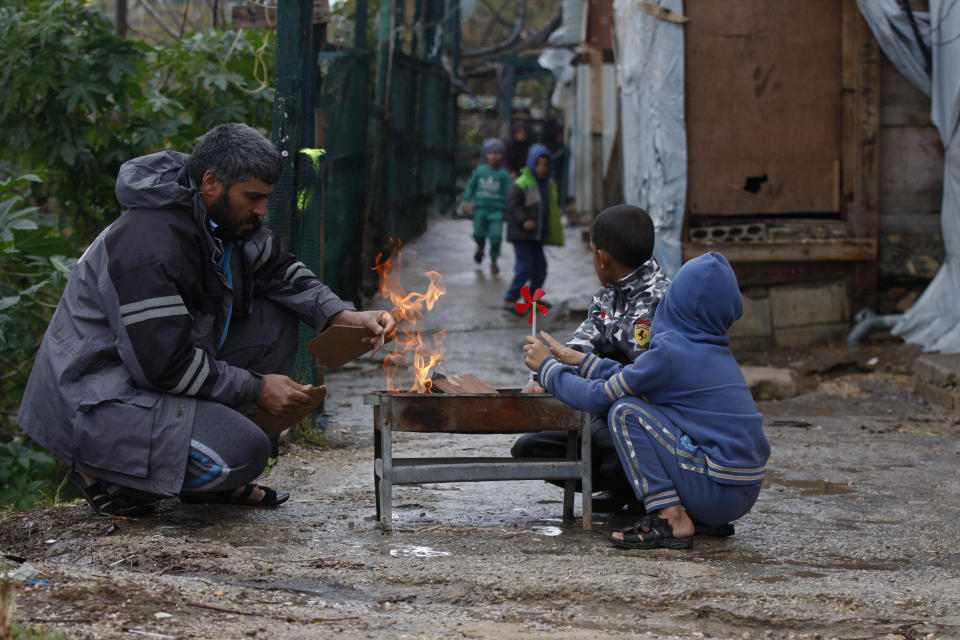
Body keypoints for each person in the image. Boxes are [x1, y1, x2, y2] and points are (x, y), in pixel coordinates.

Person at [17, 123, 396, 517]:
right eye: (253, 198)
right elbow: (166, 366)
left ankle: (200, 470)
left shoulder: (222, 219)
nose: (262, 210)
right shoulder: (149, 246)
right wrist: (257, 388)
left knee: (282, 309)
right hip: (95, 395)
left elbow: (280, 271)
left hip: (150, 374)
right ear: (211, 183)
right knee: (244, 451)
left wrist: (345, 315)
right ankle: (106, 472)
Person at [523, 252, 769, 550]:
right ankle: (692, 514)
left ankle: (670, 517)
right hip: (743, 489)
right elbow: (637, 376)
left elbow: (598, 397)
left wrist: (547, 369)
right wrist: (584, 362)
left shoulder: (670, 352)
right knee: (642, 406)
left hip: (716, 491)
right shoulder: (711, 350)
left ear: (675, 301)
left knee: (625, 411)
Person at [510, 205, 670, 512]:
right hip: (600, 408)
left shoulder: (664, 298)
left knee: (607, 443)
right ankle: (624, 486)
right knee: (528, 448)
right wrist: (541, 377)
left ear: (603, 257)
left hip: (641, 416)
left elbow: (646, 377)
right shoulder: (605, 296)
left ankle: (639, 490)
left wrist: (570, 373)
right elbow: (578, 347)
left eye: (592, 251)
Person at [503, 144, 564, 312]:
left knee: (540, 269)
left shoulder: (546, 185)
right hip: (522, 235)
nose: (542, 168)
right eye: (538, 164)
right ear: (531, 163)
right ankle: (510, 299)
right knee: (525, 268)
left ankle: (531, 300)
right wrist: (523, 220)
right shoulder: (522, 183)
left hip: (536, 236)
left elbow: (549, 210)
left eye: (545, 164)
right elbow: (512, 206)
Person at [462, 138, 512, 274]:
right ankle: (480, 247)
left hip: (496, 211)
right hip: (480, 209)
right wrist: (466, 200)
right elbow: (470, 186)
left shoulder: (504, 174)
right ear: (486, 154)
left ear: (502, 155)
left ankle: (494, 261)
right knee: (478, 233)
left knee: (496, 237)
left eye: (498, 153)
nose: (494, 156)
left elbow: (509, 192)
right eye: (491, 153)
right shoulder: (480, 171)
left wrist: (511, 207)